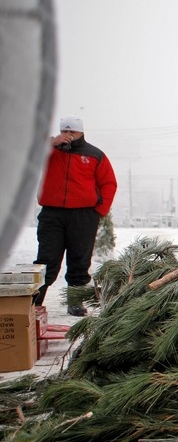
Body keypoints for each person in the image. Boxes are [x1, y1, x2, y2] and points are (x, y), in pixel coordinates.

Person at [34, 116, 118, 316]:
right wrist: (49, 143)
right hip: (52, 214)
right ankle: (34, 301)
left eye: (72, 132)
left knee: (79, 260)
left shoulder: (94, 155)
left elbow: (109, 183)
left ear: (81, 133)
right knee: (46, 260)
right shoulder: (48, 152)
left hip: (83, 215)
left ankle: (75, 301)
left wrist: (99, 210)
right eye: (64, 131)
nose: (68, 135)